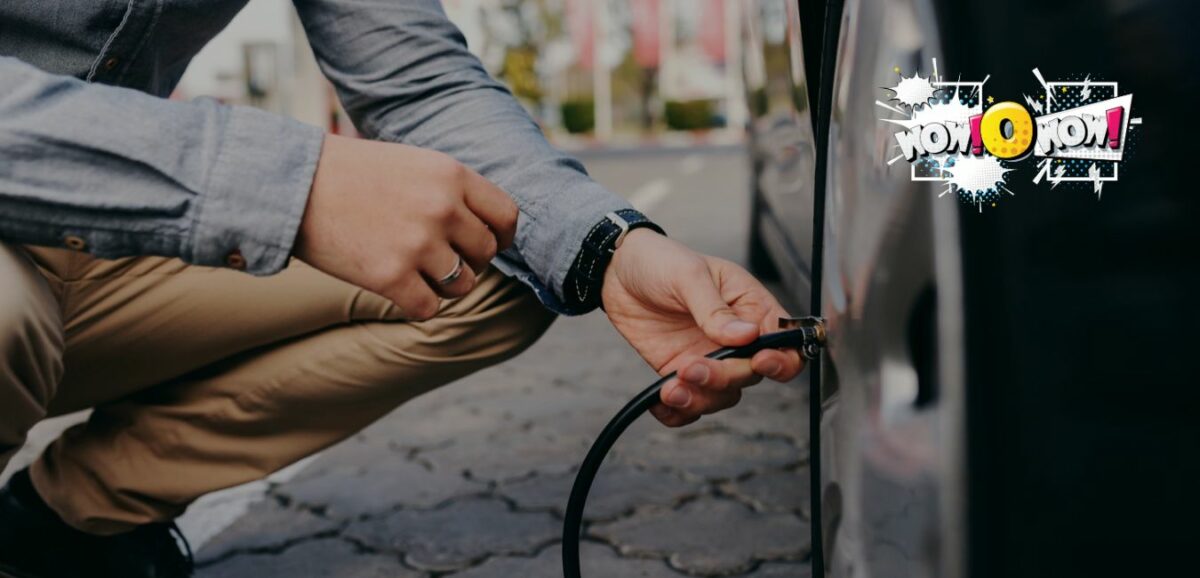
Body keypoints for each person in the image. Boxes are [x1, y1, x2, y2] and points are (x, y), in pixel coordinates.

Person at [0, 1, 803, 576]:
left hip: (104, 237)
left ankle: (65, 523)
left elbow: (420, 81)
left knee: (489, 254)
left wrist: (612, 248)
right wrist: (292, 187)